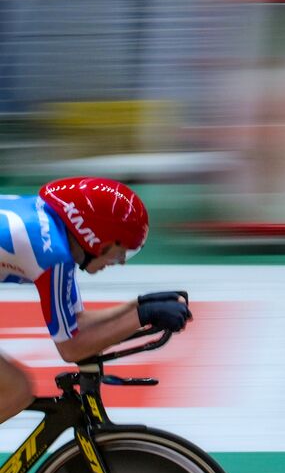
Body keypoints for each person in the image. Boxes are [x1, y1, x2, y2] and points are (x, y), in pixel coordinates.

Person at [0, 177, 194, 426]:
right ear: (96, 238)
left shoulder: (52, 229)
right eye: (121, 251)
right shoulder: (53, 254)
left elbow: (76, 324)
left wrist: (138, 306)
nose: (121, 261)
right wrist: (142, 315)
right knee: (15, 390)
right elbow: (71, 347)